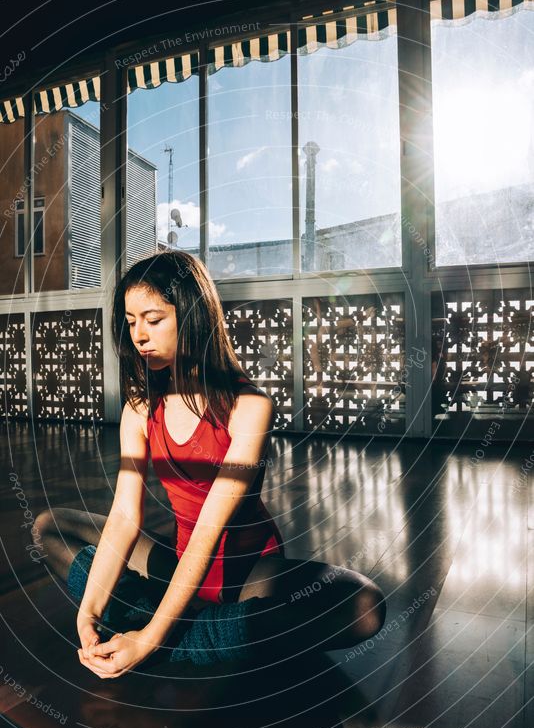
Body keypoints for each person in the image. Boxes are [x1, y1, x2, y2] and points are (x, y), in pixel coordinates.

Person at [33, 250, 386, 678]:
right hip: (178, 562)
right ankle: (192, 632)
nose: (139, 335)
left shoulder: (250, 407)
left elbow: (209, 533)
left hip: (244, 574)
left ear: (193, 316)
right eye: (130, 322)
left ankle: (164, 633)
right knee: (51, 528)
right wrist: (87, 613)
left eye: (154, 319)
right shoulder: (140, 411)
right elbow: (126, 518)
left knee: (364, 606)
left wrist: (148, 639)